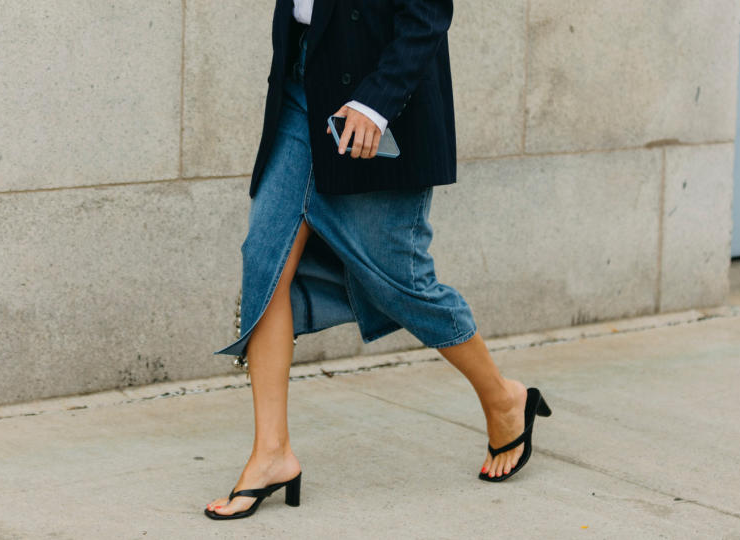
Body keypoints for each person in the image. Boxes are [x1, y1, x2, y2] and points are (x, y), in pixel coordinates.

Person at [204, 0, 552, 520]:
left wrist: (376, 101)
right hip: (302, 83)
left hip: (373, 99)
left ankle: (503, 397)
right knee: (265, 260)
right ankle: (272, 452)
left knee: (400, 280)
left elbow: (427, 14)